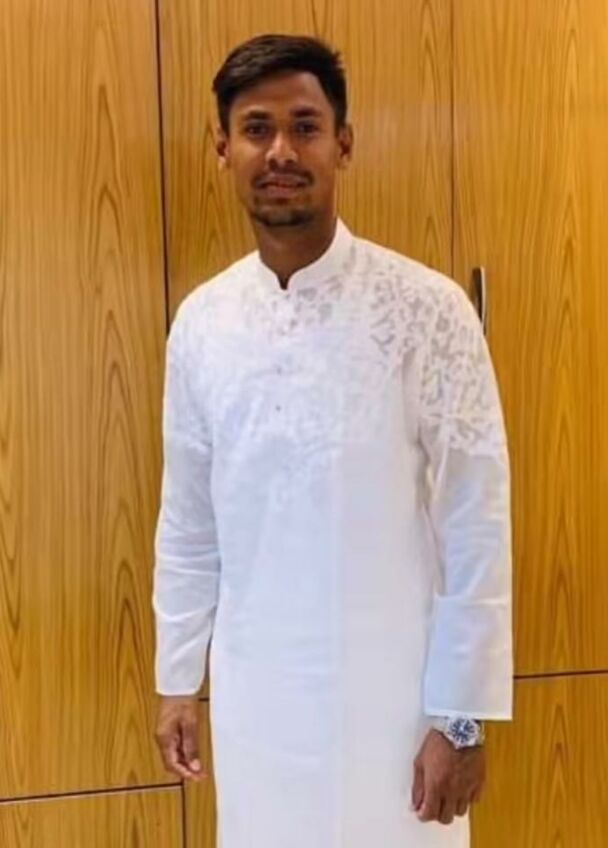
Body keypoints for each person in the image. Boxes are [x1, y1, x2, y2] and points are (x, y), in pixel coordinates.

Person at [153, 33, 513, 848]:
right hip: (257, 706)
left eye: (305, 126)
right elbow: (188, 522)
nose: (280, 151)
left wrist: (460, 719)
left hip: (397, 707)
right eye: (256, 128)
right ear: (223, 148)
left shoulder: (427, 310)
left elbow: (476, 521)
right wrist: (177, 677)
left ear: (342, 144)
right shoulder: (202, 325)